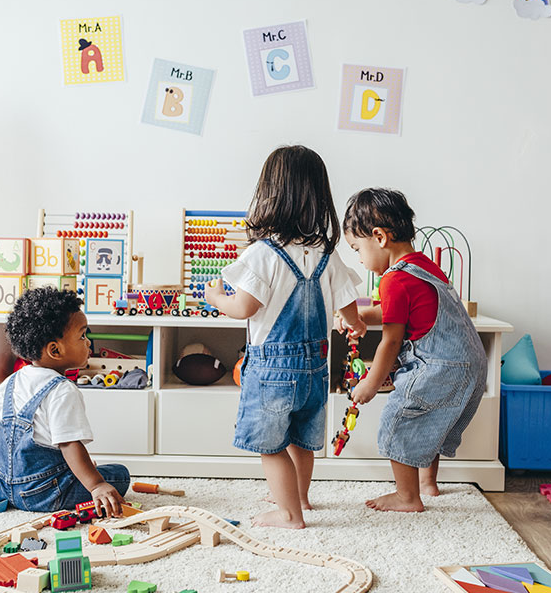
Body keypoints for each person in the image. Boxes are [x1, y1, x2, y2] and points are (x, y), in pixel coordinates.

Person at [205, 145, 366, 529]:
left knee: (271, 445)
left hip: (273, 369)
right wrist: (352, 324)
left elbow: (244, 307)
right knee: (301, 439)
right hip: (316, 367)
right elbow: (349, 307)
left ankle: (288, 513)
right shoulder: (327, 252)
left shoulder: (264, 253)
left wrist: (215, 297)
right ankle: (301, 498)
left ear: (270, 194)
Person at [340, 188, 487, 512]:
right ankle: (427, 483)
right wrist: (360, 316)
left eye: (357, 249)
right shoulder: (424, 267)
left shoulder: (392, 280)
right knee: (428, 421)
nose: (360, 260)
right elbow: (400, 311)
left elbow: (391, 340)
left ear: (379, 237)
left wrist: (371, 383)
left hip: (440, 365)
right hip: (470, 364)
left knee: (399, 419)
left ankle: (407, 497)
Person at [0, 287, 129, 516]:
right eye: (82, 335)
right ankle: (87, 482)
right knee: (119, 475)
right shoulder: (62, 390)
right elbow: (70, 445)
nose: (88, 343)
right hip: (46, 493)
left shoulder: (9, 382)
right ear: (55, 350)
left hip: (2, 487)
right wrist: (96, 485)